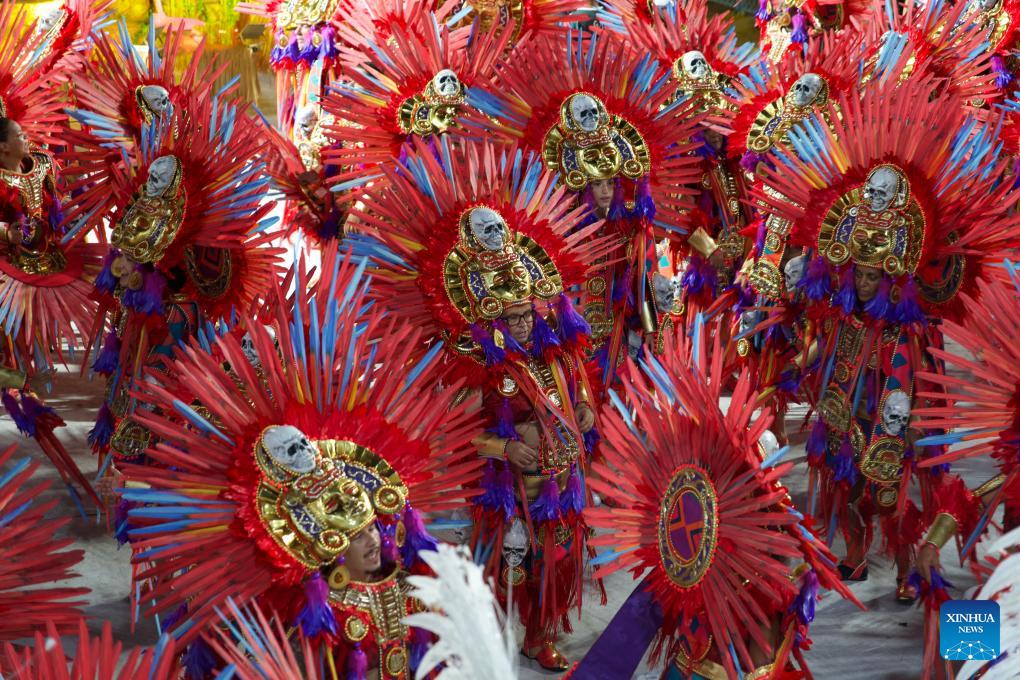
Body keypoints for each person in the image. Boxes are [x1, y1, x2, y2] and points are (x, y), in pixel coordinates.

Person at [117, 248, 481, 677]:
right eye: (250, 355)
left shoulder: (314, 403)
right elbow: (184, 480)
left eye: (267, 354)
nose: (260, 364)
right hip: (249, 549)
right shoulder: (213, 414)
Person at [355, 140, 609, 672]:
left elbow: (578, 381)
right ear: (490, 319)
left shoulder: (553, 347)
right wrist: (504, 448)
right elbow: (453, 430)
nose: (522, 324)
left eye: (527, 315)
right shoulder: (474, 368)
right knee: (505, 566)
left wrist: (584, 408)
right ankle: (489, 642)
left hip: (562, 475)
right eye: (511, 318)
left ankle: (540, 633)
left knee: (556, 560)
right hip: (510, 484)